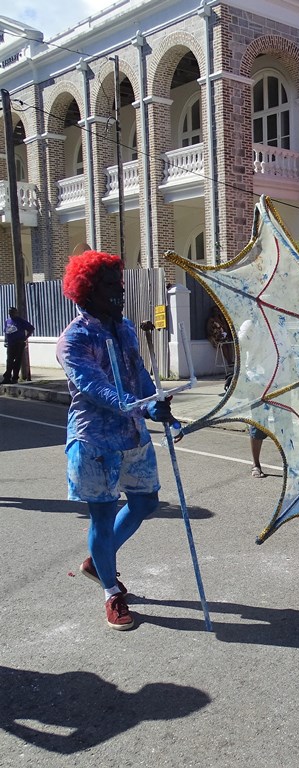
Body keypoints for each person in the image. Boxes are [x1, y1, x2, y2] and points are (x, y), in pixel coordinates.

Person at [56, 250, 177, 630]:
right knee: (103, 517)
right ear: (87, 291)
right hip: (95, 442)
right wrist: (133, 405)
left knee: (145, 504)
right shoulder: (74, 339)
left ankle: (98, 559)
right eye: (109, 286)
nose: (118, 292)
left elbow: (137, 373)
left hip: (133, 437)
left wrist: (154, 403)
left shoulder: (124, 329)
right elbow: (94, 387)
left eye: (119, 285)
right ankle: (111, 590)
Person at [2, 306, 35, 384]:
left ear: (16, 313)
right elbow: (6, 332)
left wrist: (25, 338)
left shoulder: (20, 321)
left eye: (12, 312)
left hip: (19, 343)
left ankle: (15, 378)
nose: (11, 314)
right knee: (9, 361)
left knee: (17, 361)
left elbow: (31, 328)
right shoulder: (8, 321)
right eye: (10, 312)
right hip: (10, 344)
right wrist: (5, 341)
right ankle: (7, 377)